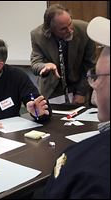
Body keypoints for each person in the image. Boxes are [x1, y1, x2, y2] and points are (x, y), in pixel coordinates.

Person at [44, 16, 110, 198]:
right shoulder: (39, 36)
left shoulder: (78, 164)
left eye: (97, 77)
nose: (94, 86)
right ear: (51, 28)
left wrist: (82, 92)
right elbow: (36, 60)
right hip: (55, 90)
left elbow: (87, 64)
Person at [30, 4, 96, 104]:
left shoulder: (85, 30)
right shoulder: (37, 35)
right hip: (52, 89)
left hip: (78, 85)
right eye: (63, 29)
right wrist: (45, 66)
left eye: (70, 24)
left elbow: (90, 66)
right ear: (51, 29)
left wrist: (81, 92)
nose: (70, 30)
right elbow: (35, 64)